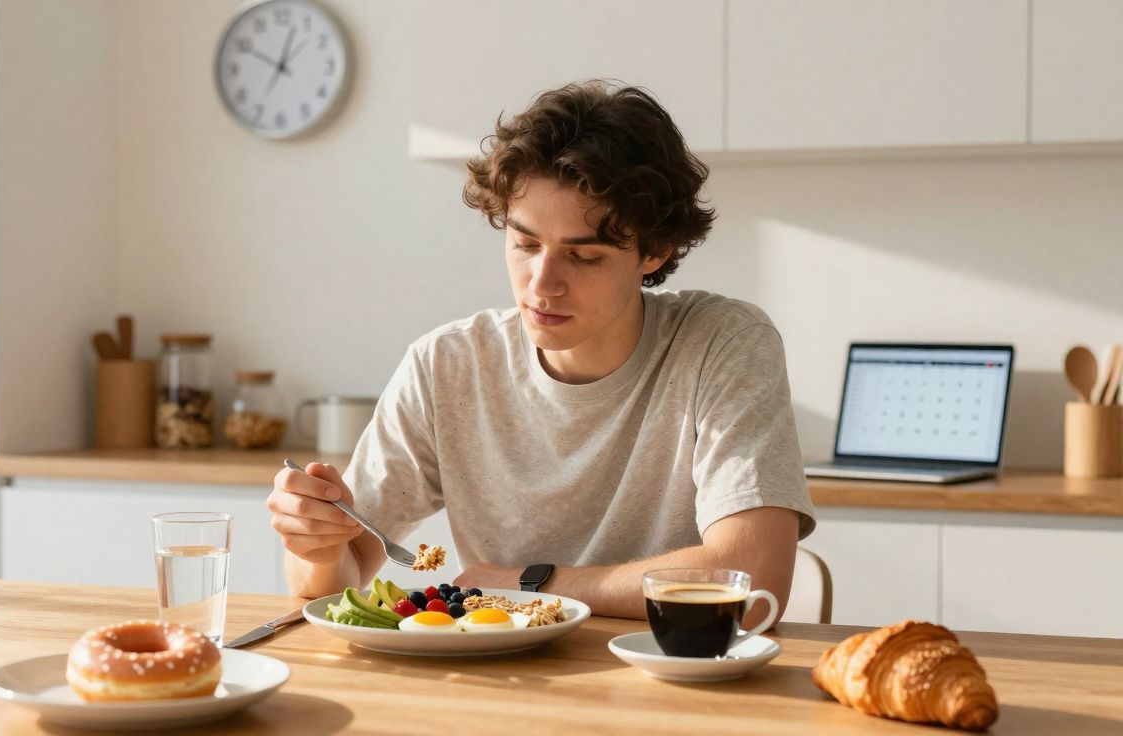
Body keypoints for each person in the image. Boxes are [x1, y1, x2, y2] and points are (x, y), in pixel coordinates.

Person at [268, 80, 816, 622]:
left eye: (584, 257)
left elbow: (750, 579)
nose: (541, 285)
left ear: (654, 251)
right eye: (526, 244)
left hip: (671, 679)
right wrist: (315, 545)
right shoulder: (448, 365)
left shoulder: (722, 342)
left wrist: (530, 584)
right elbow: (336, 576)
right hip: (505, 684)